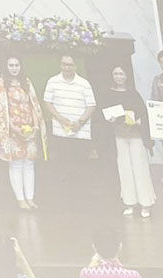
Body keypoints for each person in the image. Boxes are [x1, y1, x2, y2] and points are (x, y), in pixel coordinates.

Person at [101, 66, 155, 219]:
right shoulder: (109, 94)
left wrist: (138, 121)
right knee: (124, 169)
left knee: (140, 169)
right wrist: (110, 120)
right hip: (119, 137)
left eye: (121, 74)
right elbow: (105, 115)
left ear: (126, 76)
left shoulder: (133, 94)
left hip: (136, 136)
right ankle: (129, 202)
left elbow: (143, 113)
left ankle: (146, 203)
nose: (118, 76)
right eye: (116, 73)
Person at [42, 54, 96, 205]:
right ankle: (65, 200)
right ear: (60, 65)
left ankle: (80, 199)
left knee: (80, 165)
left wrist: (80, 122)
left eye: (70, 65)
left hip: (81, 133)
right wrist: (60, 119)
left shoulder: (84, 83)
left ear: (75, 66)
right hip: (61, 133)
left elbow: (92, 105)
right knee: (63, 165)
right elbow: (47, 102)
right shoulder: (53, 81)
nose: (67, 68)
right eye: (64, 64)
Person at [0, 56, 45, 209]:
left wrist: (35, 127)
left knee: (29, 163)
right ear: (6, 66)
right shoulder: (0, 83)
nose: (14, 68)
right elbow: (0, 108)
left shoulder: (26, 82)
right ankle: (20, 199)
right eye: (11, 65)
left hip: (29, 129)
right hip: (13, 130)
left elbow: (33, 104)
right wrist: (12, 128)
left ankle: (30, 197)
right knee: (16, 163)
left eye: (17, 65)